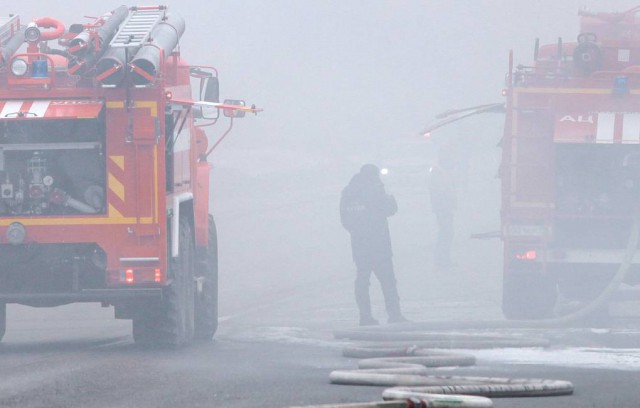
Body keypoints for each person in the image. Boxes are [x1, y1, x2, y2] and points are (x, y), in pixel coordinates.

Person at [340, 164, 408, 326]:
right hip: (379, 243)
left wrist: (357, 233)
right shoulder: (375, 189)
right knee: (388, 281)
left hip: (359, 245)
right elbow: (390, 209)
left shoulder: (348, 192)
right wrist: (389, 196)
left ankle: (365, 316)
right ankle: (394, 315)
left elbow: (345, 220)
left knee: (362, 282)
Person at [427, 148, 457, 270]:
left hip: (446, 207)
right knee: (446, 233)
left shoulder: (443, 171)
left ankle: (444, 259)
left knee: (447, 233)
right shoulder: (438, 172)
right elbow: (439, 191)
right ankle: (442, 260)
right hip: (443, 208)